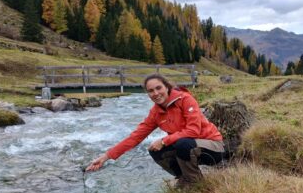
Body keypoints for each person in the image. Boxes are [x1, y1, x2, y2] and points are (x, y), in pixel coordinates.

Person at [86, 74, 224, 186]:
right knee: (154, 150)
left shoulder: (185, 99)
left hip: (212, 147)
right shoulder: (155, 113)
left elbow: (193, 131)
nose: (156, 93)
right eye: (151, 91)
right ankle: (185, 178)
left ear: (167, 87)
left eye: (159, 88)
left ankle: (195, 183)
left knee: (183, 143)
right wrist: (106, 157)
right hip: (191, 148)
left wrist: (164, 140)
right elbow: (135, 137)